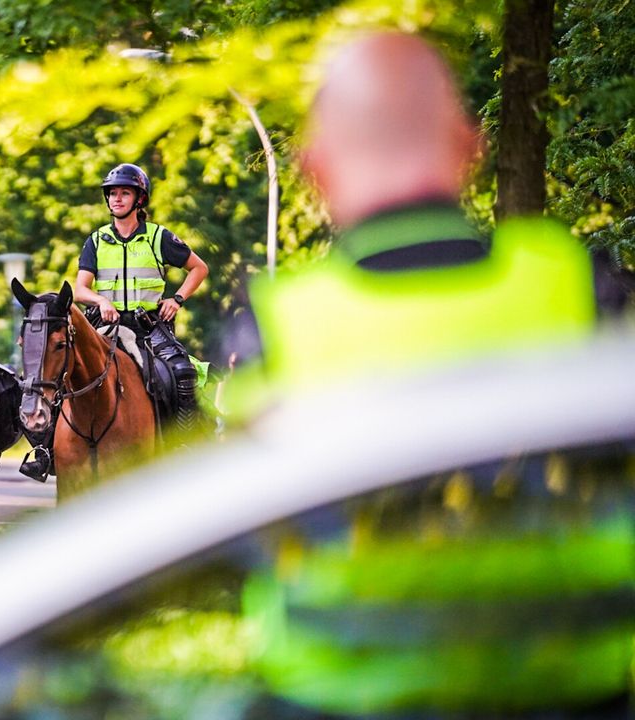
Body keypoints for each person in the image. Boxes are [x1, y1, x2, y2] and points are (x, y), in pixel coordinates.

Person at [226, 32, 634, 717]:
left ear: (315, 169)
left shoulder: (276, 330)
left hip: (338, 701)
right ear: (470, 147)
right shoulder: (579, 288)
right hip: (569, 695)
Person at [20, 163, 210, 480]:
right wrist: (100, 300)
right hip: (104, 325)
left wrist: (176, 300)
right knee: (64, 368)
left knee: (181, 371)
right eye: (113, 194)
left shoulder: (158, 237)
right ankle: (46, 451)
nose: (117, 199)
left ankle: (182, 446)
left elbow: (198, 268)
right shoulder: (96, 241)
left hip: (147, 326)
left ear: (139, 199)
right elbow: (80, 288)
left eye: (125, 193)